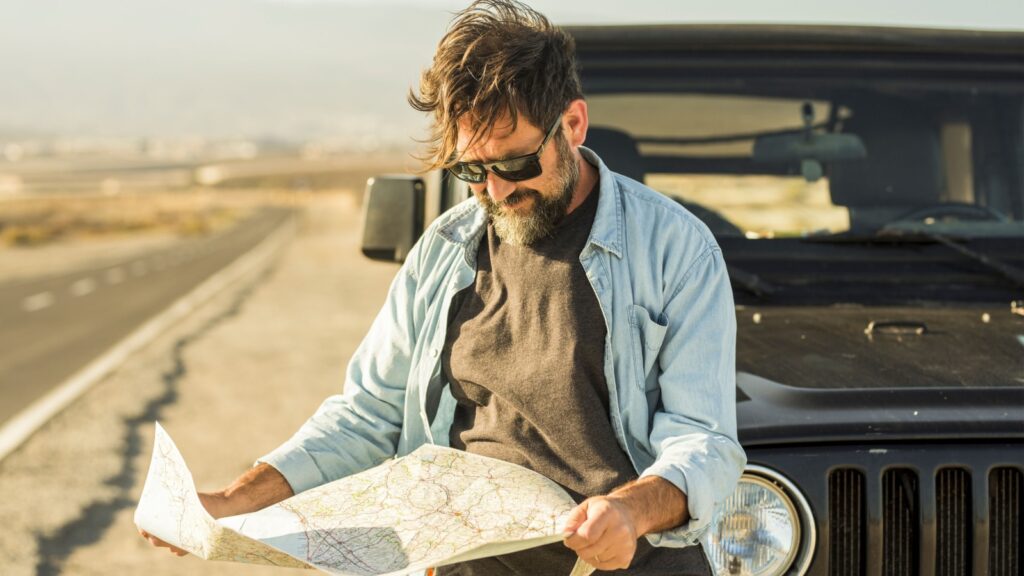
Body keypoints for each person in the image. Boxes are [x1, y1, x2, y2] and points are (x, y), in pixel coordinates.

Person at [141, 1, 746, 573]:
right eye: (470, 171)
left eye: (514, 164)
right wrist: (232, 500)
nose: (497, 191)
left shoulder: (677, 251)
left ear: (574, 124)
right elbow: (368, 414)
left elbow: (706, 443)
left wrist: (628, 511)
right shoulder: (443, 251)